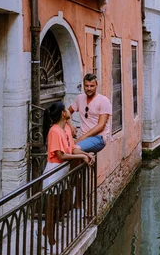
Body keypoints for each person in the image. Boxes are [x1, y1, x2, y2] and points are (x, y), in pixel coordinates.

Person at [42, 101, 95, 245]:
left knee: (61, 206)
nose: (68, 111)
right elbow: (60, 155)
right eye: (66, 109)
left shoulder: (65, 129)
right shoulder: (54, 131)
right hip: (54, 171)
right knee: (51, 207)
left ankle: (44, 231)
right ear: (62, 113)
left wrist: (86, 154)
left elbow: (72, 149)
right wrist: (81, 157)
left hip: (63, 170)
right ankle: (50, 241)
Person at [68, 73, 112, 154]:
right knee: (66, 147)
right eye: (86, 86)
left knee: (74, 149)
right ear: (83, 86)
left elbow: (100, 126)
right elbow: (66, 112)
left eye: (92, 86)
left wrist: (81, 138)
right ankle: (86, 162)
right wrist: (70, 125)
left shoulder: (104, 100)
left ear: (96, 86)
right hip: (84, 137)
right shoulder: (79, 98)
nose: (89, 88)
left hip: (99, 137)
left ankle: (87, 158)